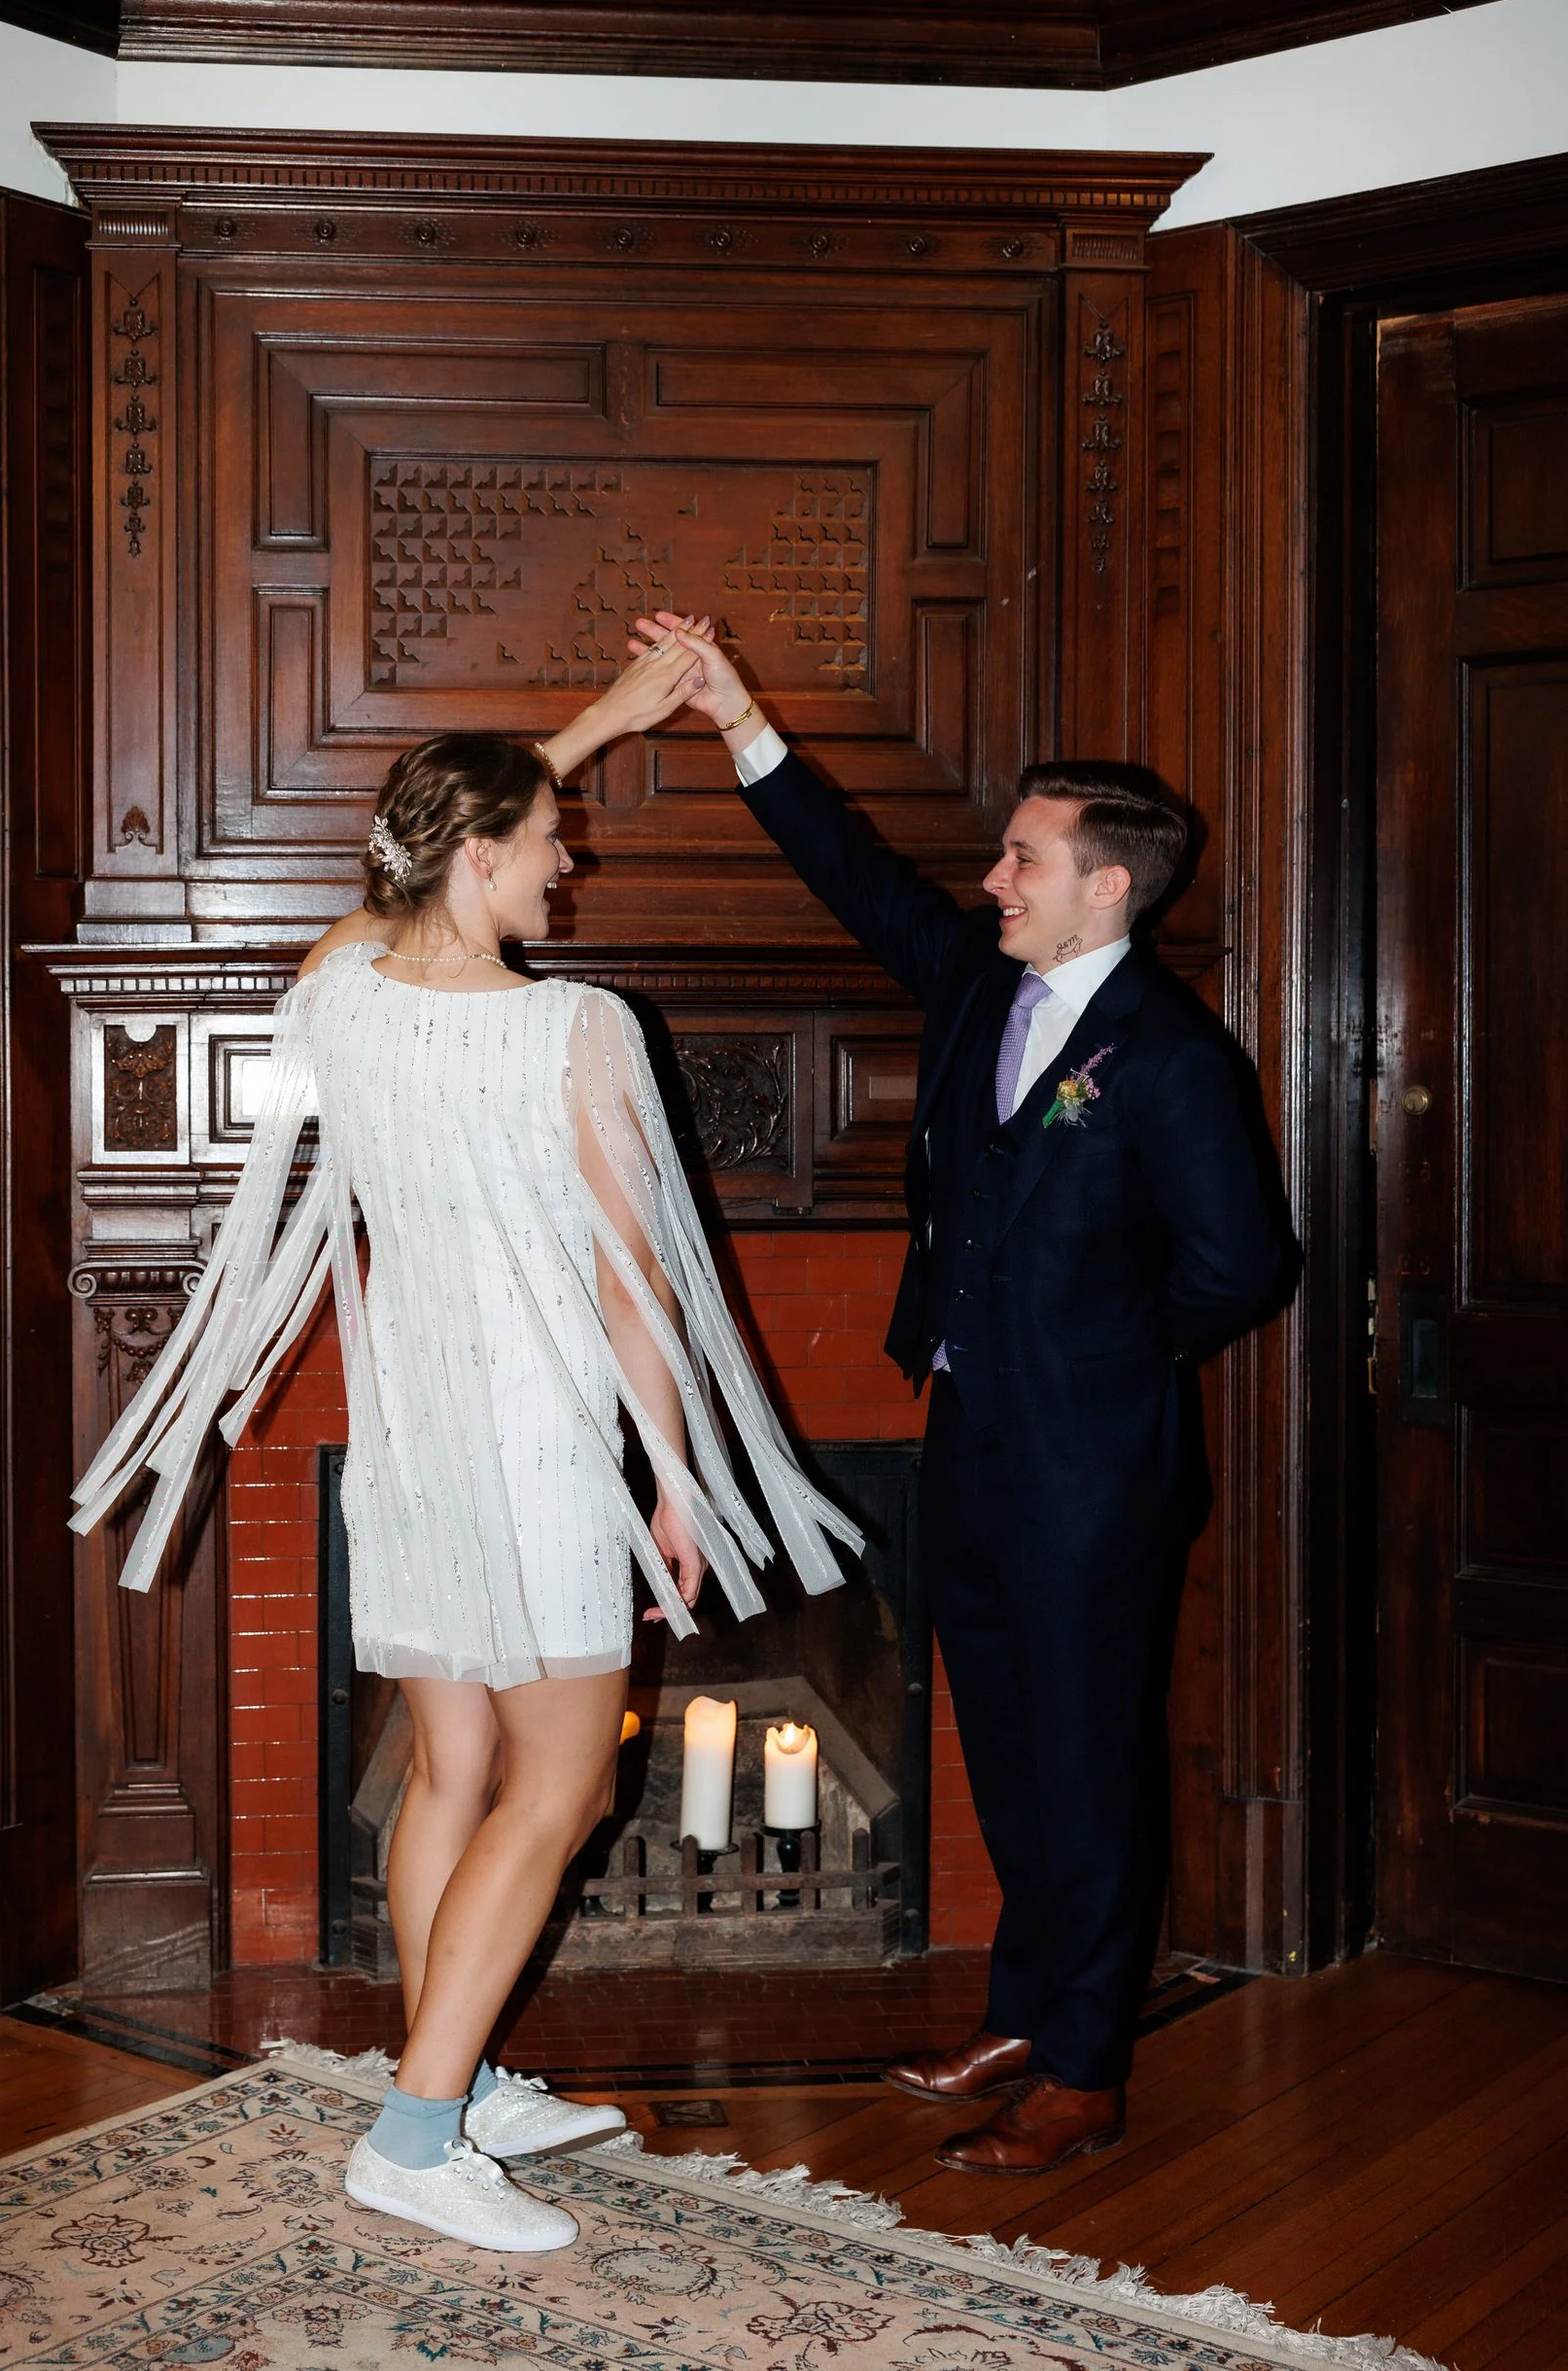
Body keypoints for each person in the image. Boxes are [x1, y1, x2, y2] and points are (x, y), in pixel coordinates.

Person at [70, 634, 861, 2250]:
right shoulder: (576, 1027)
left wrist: (592, 729)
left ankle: (461, 2079)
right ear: (483, 855)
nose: (570, 868)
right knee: (561, 1787)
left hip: (410, 1443)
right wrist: (675, 1477)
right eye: (549, 842)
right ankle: (417, 2136)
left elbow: (393, 895)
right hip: (539, 1443)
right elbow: (636, 1282)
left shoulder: (336, 993)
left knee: (451, 1771)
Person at [629, 609, 1289, 2177]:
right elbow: (855, 875)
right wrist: (738, 719)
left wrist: (1086, 1360)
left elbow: (1245, 1269)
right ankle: (1025, 2009)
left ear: (1104, 885)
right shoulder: (983, 991)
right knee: (1003, 1743)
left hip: (1093, 1470)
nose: (993, 878)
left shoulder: (1175, 1058)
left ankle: (1083, 2070)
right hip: (971, 1441)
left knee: (1088, 1764)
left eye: (1020, 859)